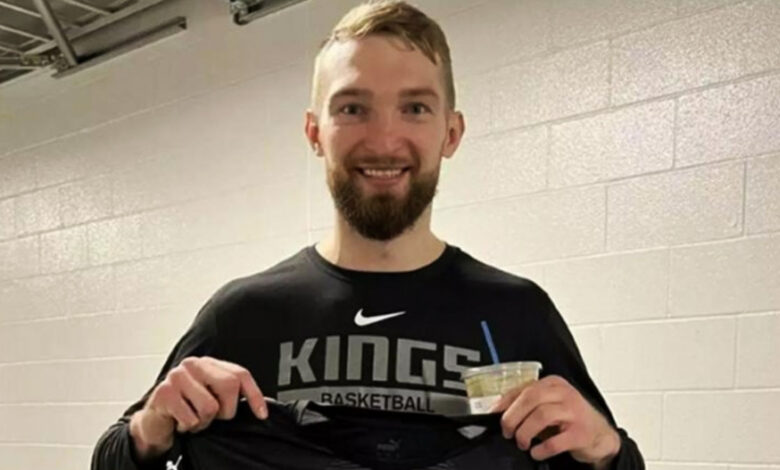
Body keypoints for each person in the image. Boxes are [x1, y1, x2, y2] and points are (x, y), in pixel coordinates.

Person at [91, 1, 644, 469]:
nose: (384, 139)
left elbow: (615, 462)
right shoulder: (242, 314)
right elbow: (110, 459)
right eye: (353, 108)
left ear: (451, 133)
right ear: (315, 132)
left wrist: (605, 448)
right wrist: (151, 427)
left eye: (415, 108)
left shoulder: (517, 312)